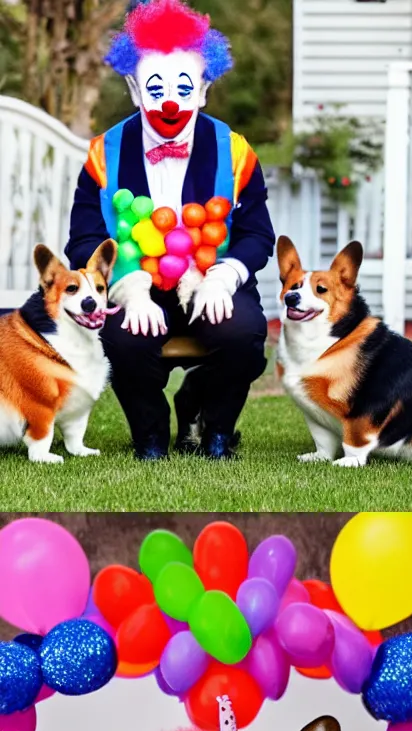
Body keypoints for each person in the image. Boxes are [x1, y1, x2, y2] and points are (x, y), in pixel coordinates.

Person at [67, 0, 275, 460]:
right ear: (135, 89)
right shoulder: (103, 155)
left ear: (202, 90)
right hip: (135, 282)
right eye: (155, 87)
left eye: (184, 87)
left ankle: (215, 426)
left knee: (242, 334)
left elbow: (257, 234)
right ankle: (151, 434)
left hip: (208, 279)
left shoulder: (236, 153)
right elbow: (82, 240)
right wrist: (126, 290)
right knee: (121, 336)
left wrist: (225, 278)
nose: (169, 101)